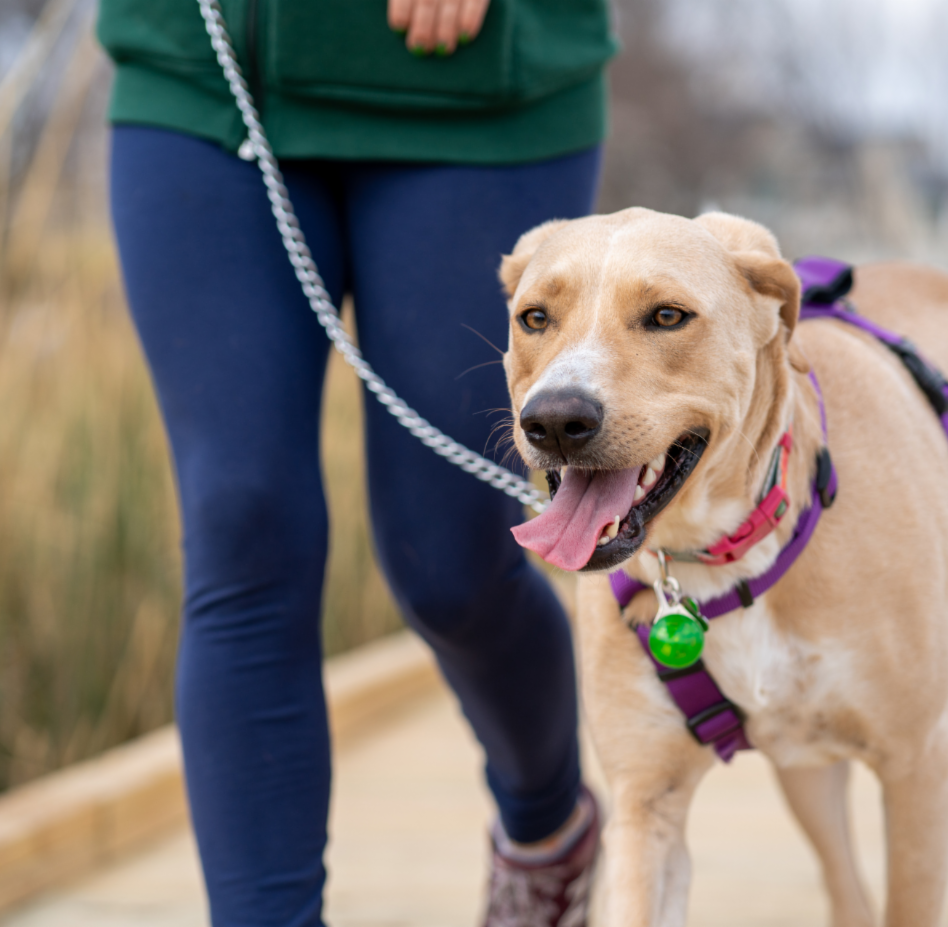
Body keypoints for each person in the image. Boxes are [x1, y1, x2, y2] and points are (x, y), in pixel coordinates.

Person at [96, 1, 616, 924]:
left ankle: (549, 827)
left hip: (474, 89)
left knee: (451, 564)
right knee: (242, 524)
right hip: (205, 84)